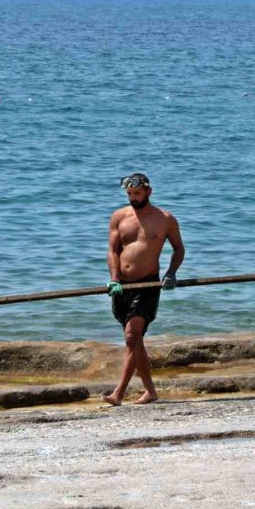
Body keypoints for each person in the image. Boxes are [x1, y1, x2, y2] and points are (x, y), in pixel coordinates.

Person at [105, 172, 185, 406]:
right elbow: (113, 251)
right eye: (129, 194)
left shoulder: (165, 219)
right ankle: (150, 391)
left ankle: (118, 394)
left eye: (137, 193)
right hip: (122, 286)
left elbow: (178, 249)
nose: (133, 198)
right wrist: (114, 279)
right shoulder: (119, 217)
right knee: (135, 341)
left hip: (148, 284)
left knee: (131, 336)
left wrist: (171, 273)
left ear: (149, 191)